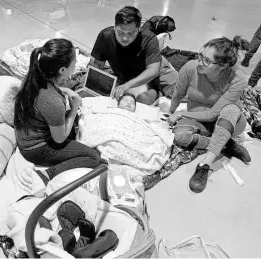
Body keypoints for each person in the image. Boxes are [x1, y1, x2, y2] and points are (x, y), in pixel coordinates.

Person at [167, 36, 251, 193]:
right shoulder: (191, 68)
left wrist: (181, 114)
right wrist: (171, 111)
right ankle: (225, 144)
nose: (200, 62)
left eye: (206, 60)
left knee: (230, 109)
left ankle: (204, 165)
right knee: (179, 136)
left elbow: (213, 114)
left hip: (228, 121)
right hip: (200, 119)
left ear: (223, 65)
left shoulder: (238, 79)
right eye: (200, 56)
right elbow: (178, 93)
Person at [14, 38, 101, 185]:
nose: (75, 66)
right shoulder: (54, 101)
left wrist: (64, 90)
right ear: (62, 70)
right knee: (94, 157)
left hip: (25, 137)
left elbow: (43, 97)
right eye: (74, 63)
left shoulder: (32, 78)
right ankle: (47, 175)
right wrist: (73, 110)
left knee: (72, 125)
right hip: (35, 150)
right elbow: (59, 139)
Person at [90, 6, 162, 105]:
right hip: (119, 78)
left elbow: (154, 70)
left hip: (143, 80)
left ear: (139, 29)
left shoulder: (149, 39)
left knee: (142, 101)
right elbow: (97, 65)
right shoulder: (105, 36)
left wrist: (128, 85)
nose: (125, 38)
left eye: (131, 33)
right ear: (114, 27)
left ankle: (158, 94)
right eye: (120, 33)